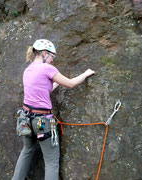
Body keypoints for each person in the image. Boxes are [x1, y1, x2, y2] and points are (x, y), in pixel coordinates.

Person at [12, 39, 95, 180]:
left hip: (25, 118)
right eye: (52, 57)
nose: (52, 60)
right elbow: (70, 83)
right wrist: (86, 74)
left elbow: (43, 90)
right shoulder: (47, 69)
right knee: (51, 161)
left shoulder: (28, 69)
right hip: (41, 121)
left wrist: (55, 83)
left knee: (27, 150)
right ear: (44, 53)